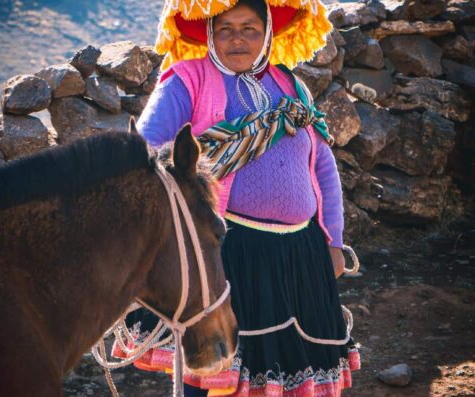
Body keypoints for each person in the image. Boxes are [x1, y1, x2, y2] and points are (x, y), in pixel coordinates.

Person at [114, 0, 360, 395]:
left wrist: (333, 241)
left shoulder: (290, 85)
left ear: (267, 35)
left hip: (300, 254)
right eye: (225, 29)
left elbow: (323, 166)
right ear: (209, 34)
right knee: (207, 367)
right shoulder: (188, 80)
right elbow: (145, 150)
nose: (238, 39)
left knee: (283, 370)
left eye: (249, 28)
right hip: (226, 251)